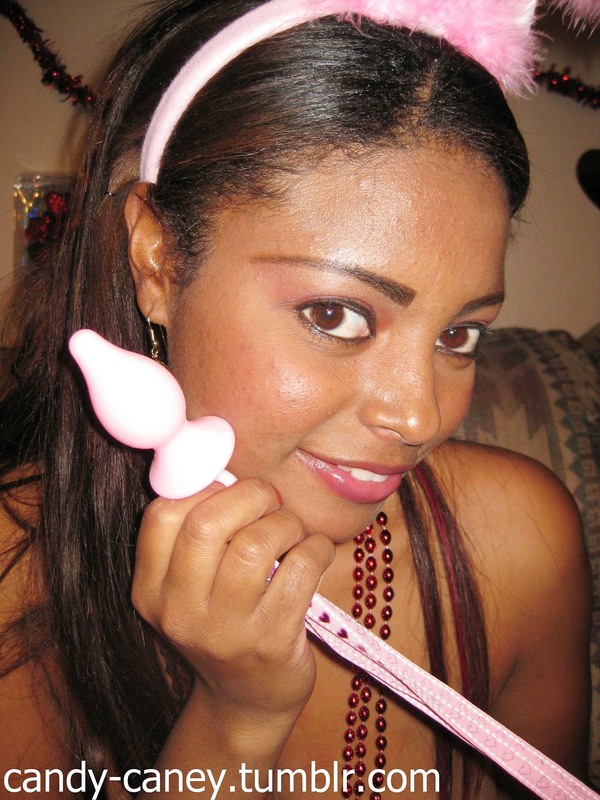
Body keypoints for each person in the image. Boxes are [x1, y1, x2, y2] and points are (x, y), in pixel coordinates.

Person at [0, 1, 592, 798]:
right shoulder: (18, 578)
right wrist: (235, 723)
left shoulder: (522, 548)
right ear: (157, 260)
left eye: (459, 335)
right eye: (336, 315)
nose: (419, 418)